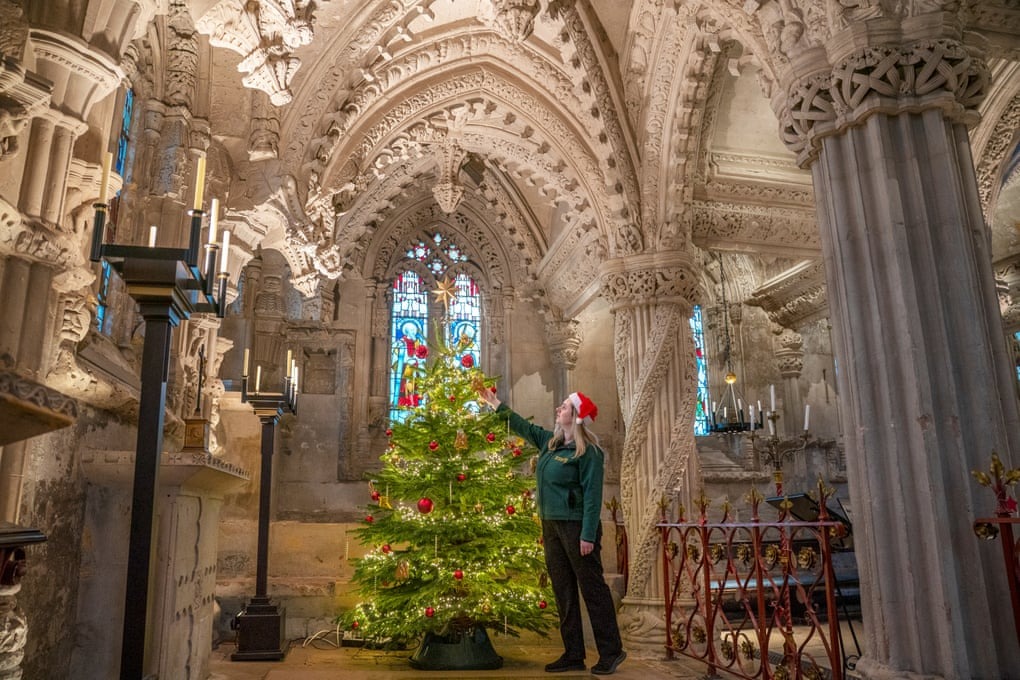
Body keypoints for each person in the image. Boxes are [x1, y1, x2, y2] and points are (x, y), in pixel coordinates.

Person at [478, 387, 627, 675]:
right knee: (564, 591)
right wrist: (494, 402)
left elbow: (593, 496)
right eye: (560, 407)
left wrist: (587, 535)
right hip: (551, 525)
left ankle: (611, 651)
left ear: (576, 417)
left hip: (576, 528)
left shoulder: (589, 453)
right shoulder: (550, 443)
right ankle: (573, 653)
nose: (559, 410)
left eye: (564, 407)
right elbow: (522, 426)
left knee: (592, 590)